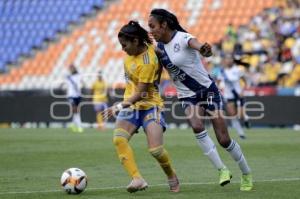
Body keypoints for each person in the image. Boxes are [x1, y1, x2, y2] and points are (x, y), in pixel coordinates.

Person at [148, 8, 253, 191]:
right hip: (187, 95)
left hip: (207, 90)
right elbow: (158, 73)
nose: (151, 31)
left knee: (223, 139)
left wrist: (204, 49)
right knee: (197, 126)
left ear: (164, 25)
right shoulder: (159, 49)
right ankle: (222, 170)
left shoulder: (183, 37)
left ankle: (246, 172)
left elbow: (199, 46)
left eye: (153, 26)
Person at [101, 21, 179, 193]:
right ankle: (137, 178)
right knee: (119, 139)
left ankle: (171, 175)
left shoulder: (147, 61)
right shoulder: (136, 50)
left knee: (156, 150)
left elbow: (142, 93)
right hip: (132, 106)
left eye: (124, 45)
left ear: (135, 41)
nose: (122, 49)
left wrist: (119, 106)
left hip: (150, 106)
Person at [217, 55, 250, 139]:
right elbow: (217, 83)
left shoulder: (238, 70)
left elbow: (246, 82)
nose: (229, 61)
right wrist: (219, 90)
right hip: (229, 96)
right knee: (232, 115)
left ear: (233, 60)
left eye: (230, 59)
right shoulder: (222, 71)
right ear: (225, 61)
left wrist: (243, 91)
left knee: (241, 115)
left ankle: (245, 118)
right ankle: (241, 133)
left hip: (239, 94)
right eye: (227, 59)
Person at [63, 64, 84, 133]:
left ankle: (73, 124)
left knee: (76, 110)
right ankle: (79, 126)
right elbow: (66, 85)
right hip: (71, 95)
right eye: (70, 68)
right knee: (75, 110)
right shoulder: (68, 76)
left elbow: (81, 83)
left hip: (77, 95)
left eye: (72, 68)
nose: (71, 69)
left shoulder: (78, 76)